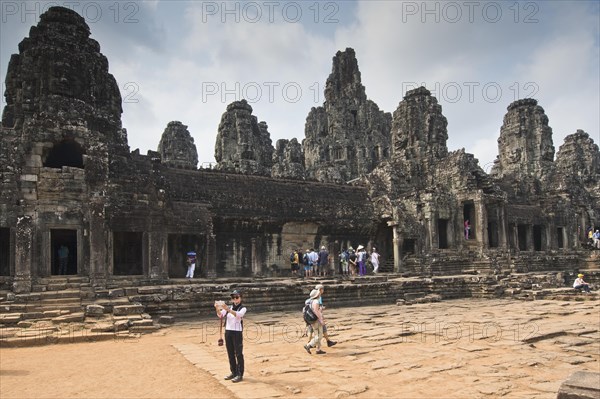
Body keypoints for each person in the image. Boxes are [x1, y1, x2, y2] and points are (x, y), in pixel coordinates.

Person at [214, 289, 247, 382]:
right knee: (230, 353)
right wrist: (217, 308)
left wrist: (228, 309)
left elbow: (239, 315)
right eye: (233, 298)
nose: (235, 299)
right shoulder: (228, 308)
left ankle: (240, 374)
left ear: (240, 298)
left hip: (237, 332)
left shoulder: (243, 308)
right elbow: (220, 315)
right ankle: (233, 372)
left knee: (238, 353)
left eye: (237, 297)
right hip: (228, 331)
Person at [303, 289, 326, 355]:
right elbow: (316, 311)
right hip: (316, 320)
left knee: (317, 334)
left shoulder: (309, 301)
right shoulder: (316, 301)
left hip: (312, 320)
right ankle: (308, 345)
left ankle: (318, 349)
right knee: (319, 336)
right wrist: (321, 320)